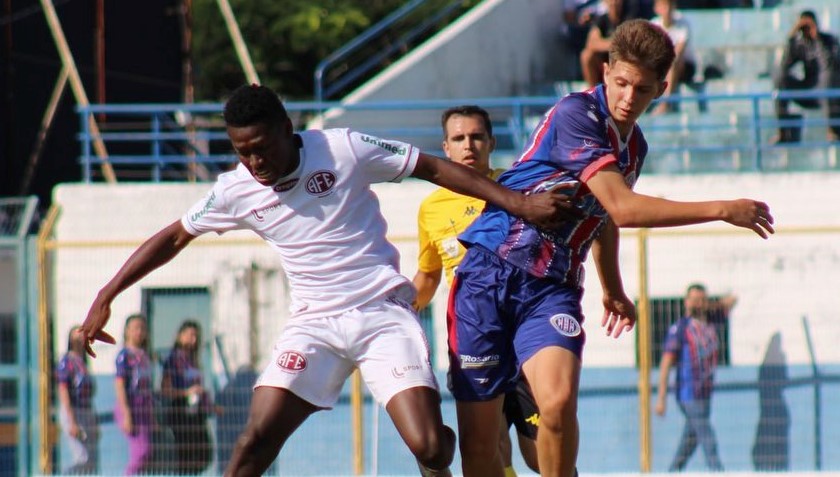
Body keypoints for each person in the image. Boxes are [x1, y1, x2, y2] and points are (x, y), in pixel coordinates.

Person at [79, 84, 579, 477]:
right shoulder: (235, 190)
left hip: (382, 314)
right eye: (241, 152)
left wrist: (518, 202)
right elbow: (173, 237)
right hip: (314, 324)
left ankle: (435, 462)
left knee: (431, 445)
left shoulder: (345, 149)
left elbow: (430, 166)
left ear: (286, 129)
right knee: (255, 439)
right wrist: (106, 296)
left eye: (260, 148)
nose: (254, 163)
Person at [448, 19, 774, 477]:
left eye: (641, 89)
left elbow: (602, 217)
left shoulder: (634, 147)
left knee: (557, 404)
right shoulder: (575, 114)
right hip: (489, 273)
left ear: (661, 89)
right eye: (621, 83)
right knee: (481, 451)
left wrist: (613, 288)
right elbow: (624, 208)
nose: (627, 98)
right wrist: (722, 208)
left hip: (551, 288)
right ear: (605, 72)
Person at [412, 105, 542, 476]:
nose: (468, 145)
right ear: (446, 148)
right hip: (473, 337)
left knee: (541, 455)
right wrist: (398, 308)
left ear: (491, 142)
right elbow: (428, 276)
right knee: (490, 448)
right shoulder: (431, 208)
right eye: (458, 138)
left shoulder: (517, 186)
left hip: (523, 336)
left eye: (476, 137)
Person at [655, 283, 735, 472]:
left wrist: (710, 305)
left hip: (705, 393)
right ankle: (718, 471)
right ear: (686, 302)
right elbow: (666, 363)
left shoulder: (711, 322)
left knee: (690, 440)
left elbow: (733, 299)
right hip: (688, 394)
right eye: (694, 300)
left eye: (701, 300)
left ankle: (673, 472)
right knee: (708, 438)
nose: (698, 304)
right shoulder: (681, 328)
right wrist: (661, 397)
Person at [773, 10, 840, 143]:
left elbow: (831, 65)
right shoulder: (798, 44)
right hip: (808, 89)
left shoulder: (829, 40)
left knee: (829, 77)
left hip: (828, 92)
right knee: (780, 79)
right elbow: (784, 67)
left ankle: (833, 130)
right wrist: (791, 37)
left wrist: (817, 39)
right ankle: (784, 132)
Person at [161, 320, 213, 474]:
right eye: (190, 335)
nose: (194, 339)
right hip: (180, 412)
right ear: (180, 336)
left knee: (204, 453)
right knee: (185, 457)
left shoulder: (194, 361)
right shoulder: (173, 360)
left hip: (196, 413)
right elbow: (165, 389)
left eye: (196, 336)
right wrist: (186, 392)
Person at [114, 313, 155, 475]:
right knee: (141, 452)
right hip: (132, 408)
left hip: (145, 409)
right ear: (127, 331)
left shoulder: (144, 356)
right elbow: (120, 385)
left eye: (142, 328)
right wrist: (126, 414)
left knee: (148, 454)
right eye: (136, 328)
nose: (140, 332)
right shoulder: (124, 356)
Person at [57, 326, 99, 474]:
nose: (81, 337)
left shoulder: (83, 363)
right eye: (77, 334)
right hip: (74, 412)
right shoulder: (66, 361)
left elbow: (89, 395)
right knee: (82, 457)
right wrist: (72, 421)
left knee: (93, 460)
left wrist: (94, 421)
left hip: (86, 411)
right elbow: (63, 391)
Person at [650, 0, 698, 114]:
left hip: (684, 67)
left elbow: (678, 52)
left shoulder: (683, 24)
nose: (667, 10)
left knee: (672, 62)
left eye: (669, 5)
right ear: (657, 8)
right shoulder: (653, 25)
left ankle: (665, 104)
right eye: (663, 6)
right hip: (662, 66)